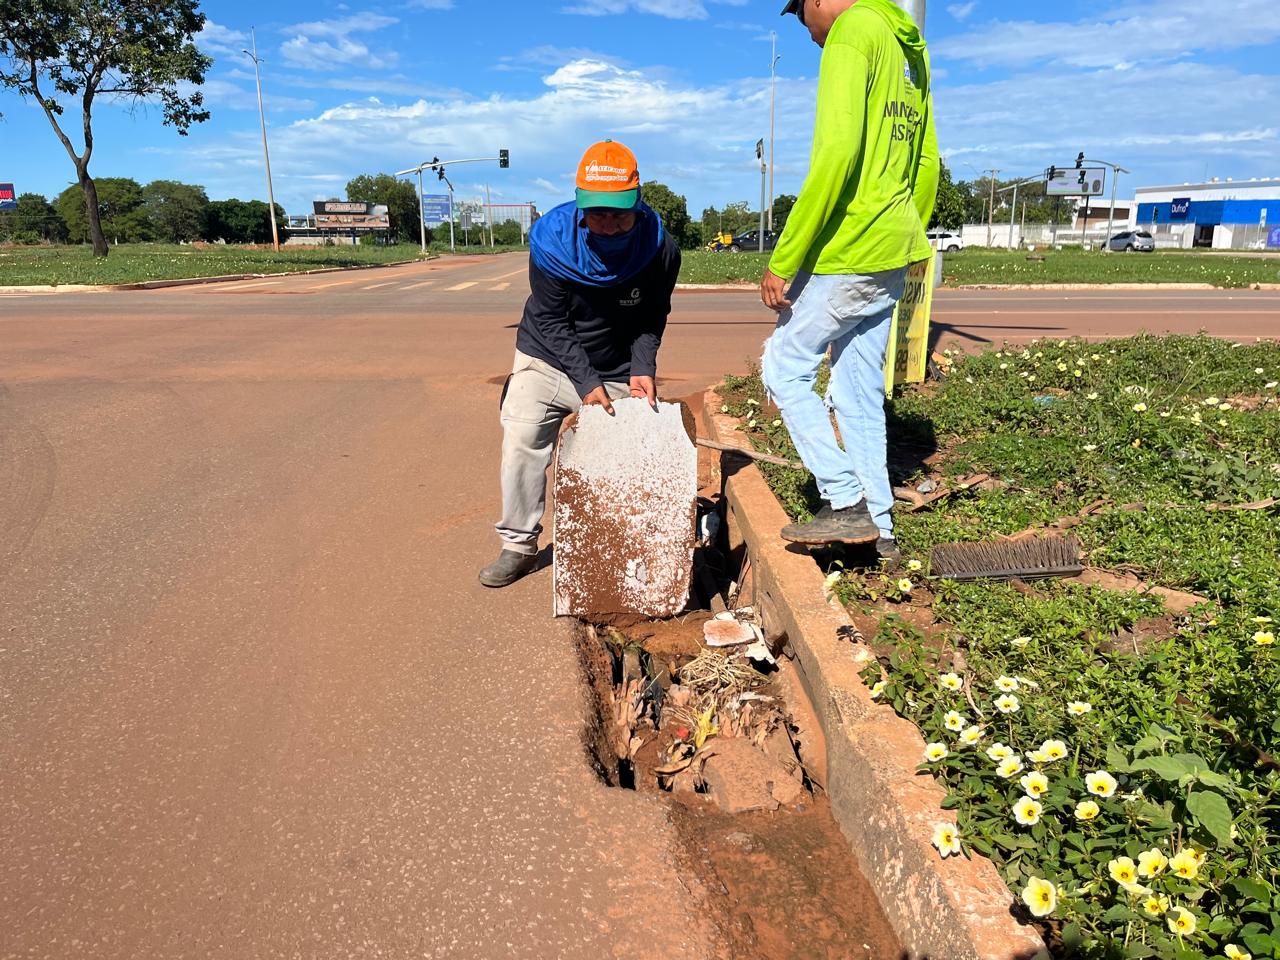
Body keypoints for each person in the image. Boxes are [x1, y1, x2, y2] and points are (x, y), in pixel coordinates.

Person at [761, 0, 938, 562]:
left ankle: (843, 498)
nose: (806, 30)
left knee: (783, 365)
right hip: (893, 246)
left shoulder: (849, 34)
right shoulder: (908, 46)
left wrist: (785, 257)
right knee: (858, 389)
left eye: (799, 14)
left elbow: (835, 153)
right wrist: (906, 231)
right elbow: (927, 160)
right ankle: (879, 525)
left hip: (853, 245)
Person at [480, 140, 682, 588]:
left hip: (616, 365)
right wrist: (583, 381)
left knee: (633, 448)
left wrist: (643, 366)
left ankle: (621, 544)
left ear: (638, 203)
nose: (608, 226)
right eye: (597, 214)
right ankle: (517, 546)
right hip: (548, 357)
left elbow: (653, 315)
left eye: (619, 214)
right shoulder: (552, 244)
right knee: (523, 435)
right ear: (579, 205)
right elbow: (552, 321)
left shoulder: (659, 249)